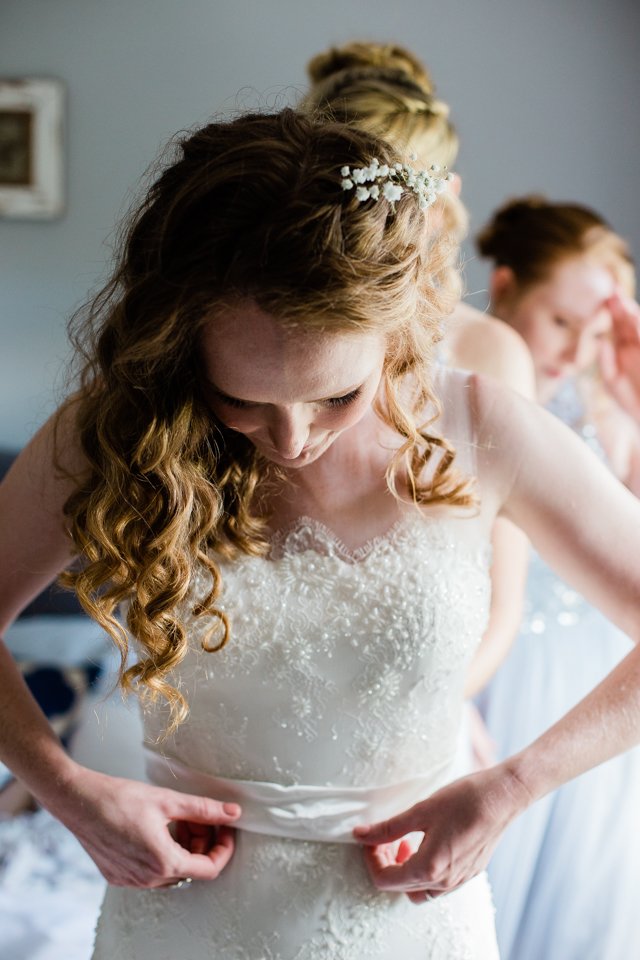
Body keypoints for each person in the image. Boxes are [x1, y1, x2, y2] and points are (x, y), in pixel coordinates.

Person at [1, 110, 640, 960]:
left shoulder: (484, 427)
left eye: (337, 397)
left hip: (413, 922)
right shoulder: (110, 432)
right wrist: (70, 791)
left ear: (397, 325)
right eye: (244, 400)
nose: (295, 440)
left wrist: (515, 785)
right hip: (180, 919)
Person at [299, 40, 535, 702]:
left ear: (440, 201)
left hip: (426, 706)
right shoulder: (272, 344)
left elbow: (502, 596)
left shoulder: (490, 354)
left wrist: (418, 726)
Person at [475, 195, 640, 960]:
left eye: (596, 328)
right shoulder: (474, 402)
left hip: (602, 677)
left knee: (587, 897)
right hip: (505, 676)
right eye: (561, 321)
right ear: (505, 289)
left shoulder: (613, 415)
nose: (575, 350)